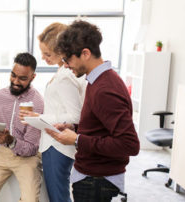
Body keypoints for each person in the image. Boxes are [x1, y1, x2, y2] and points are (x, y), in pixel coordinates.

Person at [45, 20, 140, 202]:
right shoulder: (97, 81)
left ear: (86, 53)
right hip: (93, 178)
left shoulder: (105, 88)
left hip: (97, 182)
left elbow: (129, 144)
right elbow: (101, 125)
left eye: (68, 59)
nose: (65, 65)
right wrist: (75, 128)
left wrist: (78, 139)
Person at [19, 22, 86, 202]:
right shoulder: (63, 71)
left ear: (62, 50)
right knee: (57, 193)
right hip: (53, 142)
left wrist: (41, 118)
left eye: (47, 54)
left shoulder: (66, 77)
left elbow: (75, 116)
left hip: (58, 145)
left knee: (58, 195)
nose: (43, 57)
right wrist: (38, 117)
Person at [0, 53, 44, 202]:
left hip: (27, 158)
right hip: (2, 152)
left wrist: (11, 141)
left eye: (22, 78)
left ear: (33, 77)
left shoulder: (37, 102)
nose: (15, 81)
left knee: (30, 199)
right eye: (13, 75)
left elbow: (31, 148)